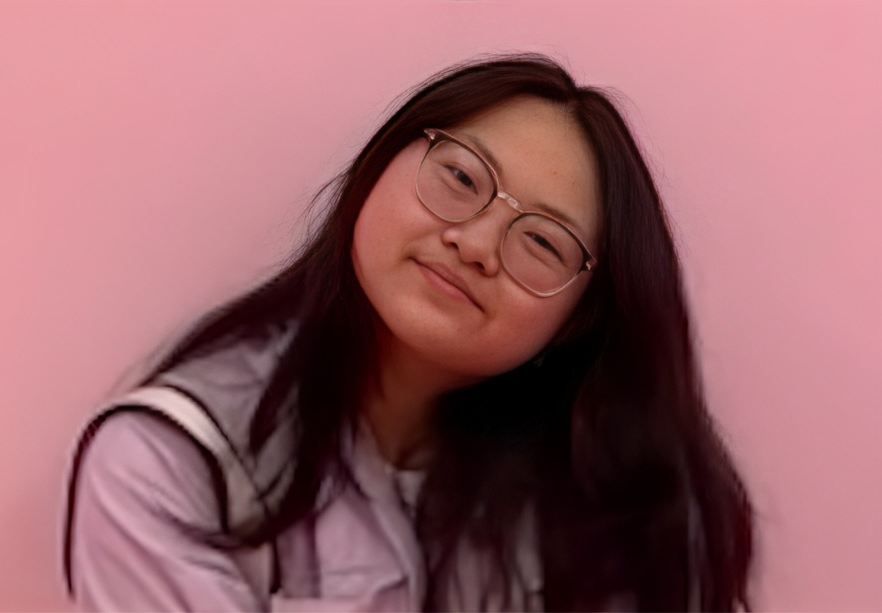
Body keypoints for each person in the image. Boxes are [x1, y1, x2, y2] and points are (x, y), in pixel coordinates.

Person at [62, 53, 753, 611]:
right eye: (459, 176)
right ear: (379, 164)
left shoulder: (613, 501)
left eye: (541, 243)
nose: (478, 242)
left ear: (578, 322)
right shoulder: (169, 463)